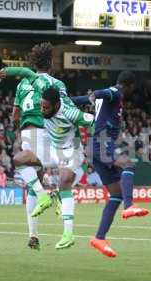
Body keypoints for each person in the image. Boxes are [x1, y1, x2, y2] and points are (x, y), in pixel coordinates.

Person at [0, 42, 68, 250]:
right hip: (47, 130)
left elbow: (15, 115)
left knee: (31, 183)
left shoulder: (22, 84)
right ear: (51, 63)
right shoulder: (56, 84)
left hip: (28, 134)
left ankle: (33, 234)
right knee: (62, 165)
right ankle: (55, 197)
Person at [71, 71, 149, 258]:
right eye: (132, 88)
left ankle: (99, 238)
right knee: (128, 164)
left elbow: (80, 99)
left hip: (94, 147)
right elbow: (103, 93)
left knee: (116, 193)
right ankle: (130, 206)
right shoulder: (117, 92)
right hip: (101, 142)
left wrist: (64, 99)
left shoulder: (109, 98)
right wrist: (95, 94)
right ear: (128, 85)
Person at [40, 87, 94, 249]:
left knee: (64, 181)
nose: (43, 109)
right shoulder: (43, 104)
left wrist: (95, 142)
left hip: (71, 149)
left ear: (57, 105)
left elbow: (93, 120)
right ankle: (52, 196)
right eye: (42, 106)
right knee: (27, 158)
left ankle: (68, 234)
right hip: (53, 147)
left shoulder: (71, 113)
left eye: (46, 107)